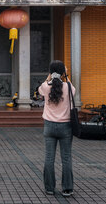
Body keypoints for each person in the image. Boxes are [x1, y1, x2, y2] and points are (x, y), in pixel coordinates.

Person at [38, 60, 75, 197]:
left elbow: (41, 89)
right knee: (66, 158)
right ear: (62, 72)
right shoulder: (68, 86)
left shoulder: (45, 87)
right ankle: (67, 188)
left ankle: (49, 188)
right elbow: (73, 90)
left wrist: (49, 77)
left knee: (49, 158)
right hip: (65, 127)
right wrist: (66, 75)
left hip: (49, 126)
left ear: (50, 72)